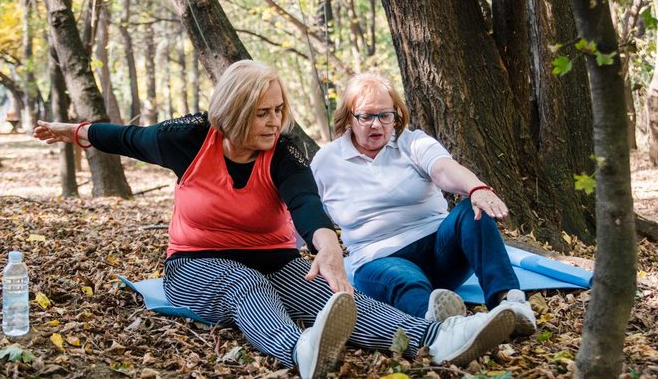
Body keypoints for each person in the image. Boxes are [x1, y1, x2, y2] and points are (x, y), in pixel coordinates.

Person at [34, 61, 518, 377]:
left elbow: (306, 202)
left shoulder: (283, 153)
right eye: (262, 112)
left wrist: (327, 247)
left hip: (277, 258)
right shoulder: (187, 139)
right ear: (233, 112)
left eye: (279, 110)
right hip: (195, 265)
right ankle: (301, 350)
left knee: (337, 297)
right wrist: (70, 131)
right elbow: (125, 137)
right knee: (246, 286)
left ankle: (441, 336)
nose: (273, 121)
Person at [311, 72, 537, 337]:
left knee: (470, 211)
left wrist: (475, 188)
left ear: (396, 114)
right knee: (407, 281)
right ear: (349, 117)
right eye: (366, 116)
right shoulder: (326, 161)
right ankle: (443, 329)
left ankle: (508, 304)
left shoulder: (412, 141)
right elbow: (308, 213)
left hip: (438, 250)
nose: (377, 125)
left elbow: (443, 169)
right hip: (379, 258)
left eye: (385, 115)